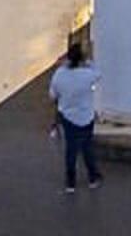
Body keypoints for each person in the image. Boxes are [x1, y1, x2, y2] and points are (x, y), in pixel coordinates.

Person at [48, 38, 102, 193]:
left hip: (68, 117)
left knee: (71, 150)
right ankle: (93, 178)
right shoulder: (87, 75)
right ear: (82, 59)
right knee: (87, 148)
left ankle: (70, 182)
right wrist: (88, 61)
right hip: (86, 116)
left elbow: (52, 95)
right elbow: (98, 73)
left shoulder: (60, 75)